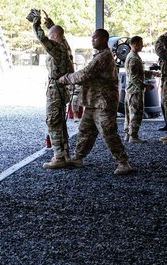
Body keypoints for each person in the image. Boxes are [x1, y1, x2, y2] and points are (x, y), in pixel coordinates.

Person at [58, 29, 133, 175]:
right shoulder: (99, 55)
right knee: (85, 130)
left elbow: (85, 73)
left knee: (108, 132)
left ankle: (123, 162)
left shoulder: (104, 57)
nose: (92, 40)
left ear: (104, 39)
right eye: (92, 38)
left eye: (95, 38)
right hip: (93, 102)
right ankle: (79, 157)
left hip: (103, 103)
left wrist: (65, 78)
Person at [27, 9, 74, 169]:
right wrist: (51, 25)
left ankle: (59, 157)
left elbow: (42, 39)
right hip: (62, 89)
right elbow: (59, 34)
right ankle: (65, 154)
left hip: (56, 89)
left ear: (54, 37)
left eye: (52, 35)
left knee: (53, 121)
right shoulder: (65, 46)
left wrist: (36, 23)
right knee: (60, 122)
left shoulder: (57, 48)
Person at [123, 36, 154, 143]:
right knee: (136, 113)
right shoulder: (133, 58)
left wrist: (152, 73)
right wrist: (145, 86)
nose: (142, 45)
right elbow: (134, 77)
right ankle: (133, 136)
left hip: (131, 90)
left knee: (130, 113)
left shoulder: (133, 56)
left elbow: (137, 73)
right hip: (135, 91)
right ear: (135, 44)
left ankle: (128, 134)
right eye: (141, 43)